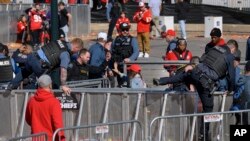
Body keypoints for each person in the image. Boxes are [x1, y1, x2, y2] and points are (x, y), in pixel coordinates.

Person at [153, 45, 235, 140]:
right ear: (230, 50)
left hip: (195, 72)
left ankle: (161, 81)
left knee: (181, 77)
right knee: (208, 109)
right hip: (205, 82)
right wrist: (230, 89)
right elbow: (231, 76)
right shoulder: (229, 56)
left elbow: (201, 59)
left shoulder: (214, 49)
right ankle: (203, 134)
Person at [7, 38, 84, 95]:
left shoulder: (60, 41)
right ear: (76, 48)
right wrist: (63, 85)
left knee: (25, 72)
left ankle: (11, 85)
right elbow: (63, 69)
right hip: (40, 65)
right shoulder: (65, 54)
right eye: (77, 51)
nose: (76, 53)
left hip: (32, 56)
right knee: (48, 86)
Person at [25, 75, 65, 141]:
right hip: (50, 138)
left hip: (36, 137)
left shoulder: (31, 101)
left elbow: (28, 120)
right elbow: (58, 125)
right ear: (50, 85)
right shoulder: (54, 102)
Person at [111, 22, 139, 87]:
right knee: (121, 85)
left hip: (129, 67)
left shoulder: (132, 39)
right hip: (119, 68)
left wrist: (130, 59)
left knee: (130, 85)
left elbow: (136, 52)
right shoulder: (115, 40)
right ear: (120, 30)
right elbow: (112, 51)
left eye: (127, 30)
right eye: (123, 30)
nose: (125, 31)